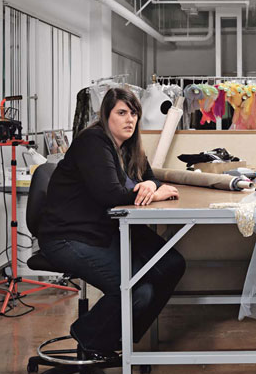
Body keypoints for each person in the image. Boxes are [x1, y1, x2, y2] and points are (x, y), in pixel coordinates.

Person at [38, 87, 185, 357]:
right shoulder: (93, 142)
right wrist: (153, 194)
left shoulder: (129, 146)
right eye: (122, 113)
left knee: (171, 264)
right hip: (69, 236)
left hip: (105, 229)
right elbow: (111, 195)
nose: (130, 119)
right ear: (106, 116)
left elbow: (152, 178)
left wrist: (151, 186)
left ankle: (120, 337)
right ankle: (90, 338)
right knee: (137, 288)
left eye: (134, 113)